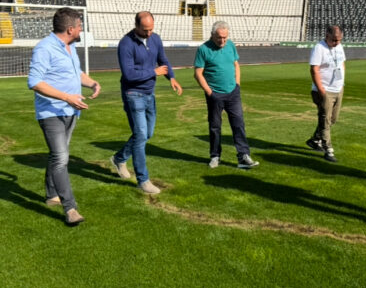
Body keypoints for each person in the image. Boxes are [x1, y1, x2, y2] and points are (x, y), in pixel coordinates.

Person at [27, 7, 101, 226]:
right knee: (61, 158)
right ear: (70, 29)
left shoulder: (71, 46)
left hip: (71, 111)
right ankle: (70, 208)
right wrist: (66, 97)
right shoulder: (44, 48)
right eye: (79, 26)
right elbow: (34, 82)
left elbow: (74, 73)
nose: (81, 29)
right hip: (51, 112)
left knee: (58, 155)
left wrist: (92, 83)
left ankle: (51, 194)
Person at [110, 11, 182, 194]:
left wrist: (171, 77)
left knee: (146, 133)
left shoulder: (155, 39)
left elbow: (163, 60)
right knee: (141, 135)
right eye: (145, 30)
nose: (149, 33)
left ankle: (119, 158)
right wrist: (153, 72)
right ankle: (143, 180)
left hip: (150, 94)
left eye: (151, 29)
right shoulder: (126, 44)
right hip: (133, 94)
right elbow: (129, 74)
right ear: (136, 26)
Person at [194, 20, 259, 169]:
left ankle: (243, 156)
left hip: (233, 93)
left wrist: (237, 85)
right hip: (215, 94)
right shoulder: (203, 49)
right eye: (219, 37)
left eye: (225, 37)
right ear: (212, 35)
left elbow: (236, 65)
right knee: (215, 126)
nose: (222, 40)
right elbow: (198, 74)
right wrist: (210, 93)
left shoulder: (230, 45)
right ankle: (215, 156)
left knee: (238, 124)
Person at [306, 25, 346, 162]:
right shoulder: (319, 48)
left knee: (332, 119)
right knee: (325, 118)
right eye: (334, 40)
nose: (337, 43)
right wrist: (321, 90)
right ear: (327, 36)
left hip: (338, 88)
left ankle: (315, 139)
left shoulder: (339, 47)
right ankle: (328, 149)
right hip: (324, 90)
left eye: (339, 40)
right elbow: (314, 69)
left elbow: (342, 63)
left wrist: (342, 83)